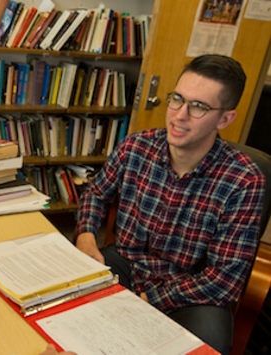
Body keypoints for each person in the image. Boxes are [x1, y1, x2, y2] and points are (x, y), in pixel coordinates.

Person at [75, 54, 265, 355]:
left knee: (207, 344)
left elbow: (226, 278)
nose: (179, 115)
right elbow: (97, 193)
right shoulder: (136, 146)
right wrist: (86, 237)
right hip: (125, 263)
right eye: (177, 99)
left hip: (192, 290)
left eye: (198, 107)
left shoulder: (243, 179)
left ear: (225, 118)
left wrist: (153, 298)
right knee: (72, 316)